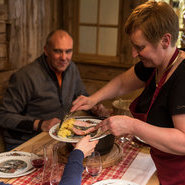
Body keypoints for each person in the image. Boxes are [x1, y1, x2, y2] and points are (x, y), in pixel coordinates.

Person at [71, 1, 185, 185]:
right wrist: (93, 99)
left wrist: (132, 126)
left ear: (165, 40)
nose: (133, 54)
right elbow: (123, 82)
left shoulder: (182, 76)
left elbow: (183, 142)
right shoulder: (157, 63)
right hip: (163, 167)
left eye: (140, 47)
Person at [0, 29, 89, 151]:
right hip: (24, 141)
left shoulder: (71, 68)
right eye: (58, 51)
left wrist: (94, 106)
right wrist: (40, 124)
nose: (64, 57)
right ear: (46, 50)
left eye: (68, 51)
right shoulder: (25, 76)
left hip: (55, 137)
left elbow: (81, 94)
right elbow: (4, 116)